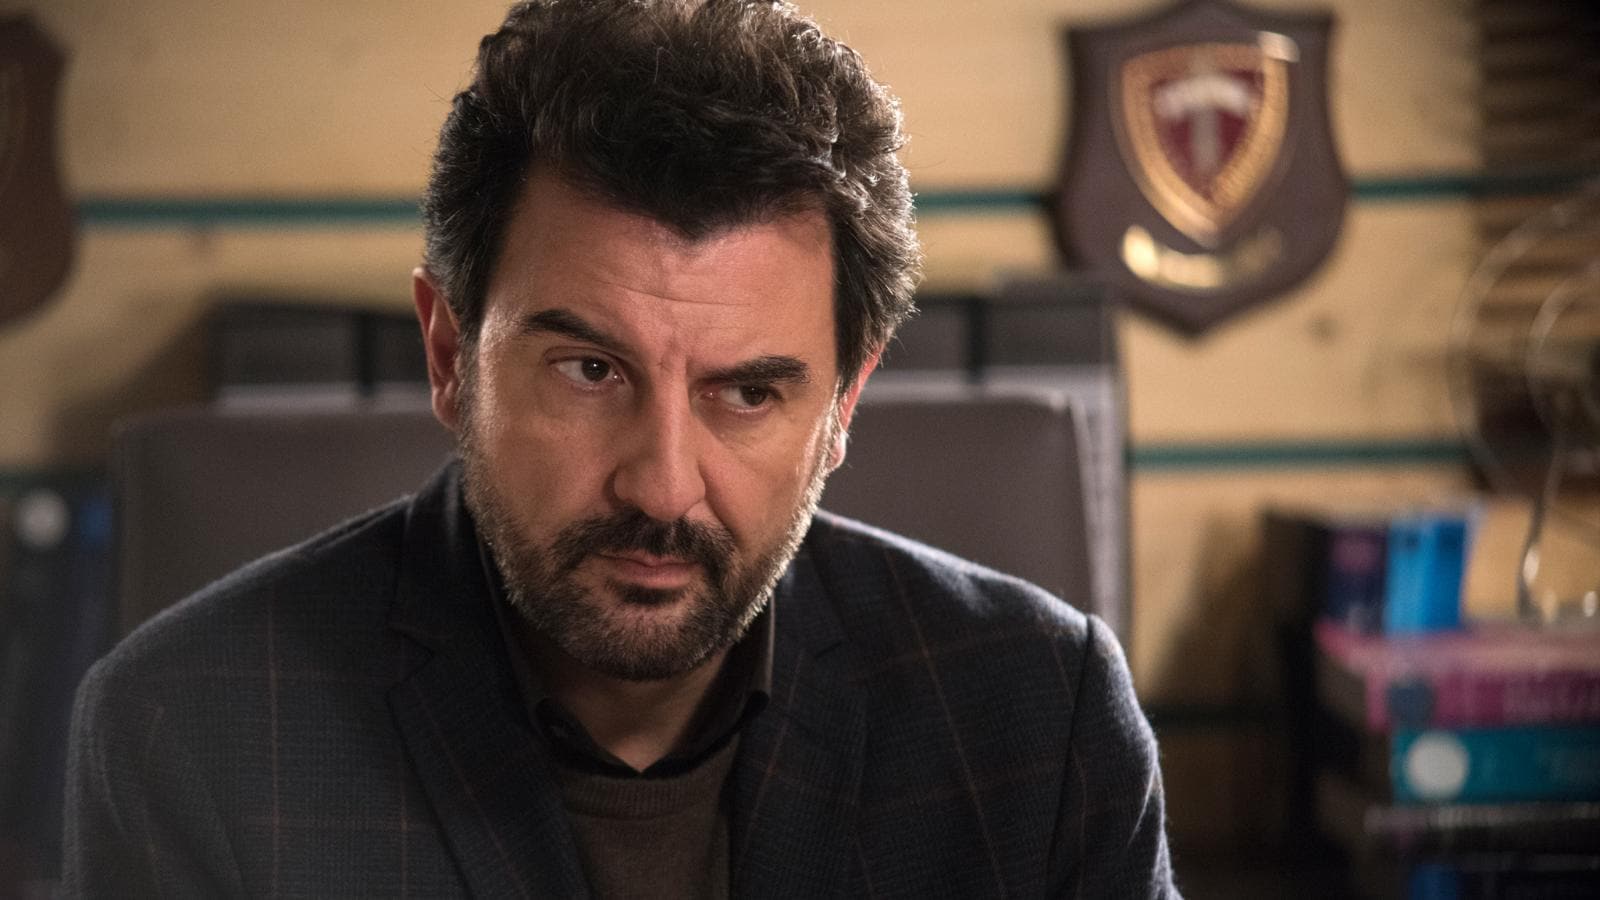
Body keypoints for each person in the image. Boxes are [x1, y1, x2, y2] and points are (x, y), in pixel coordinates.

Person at [62, 1, 1176, 896]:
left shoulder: (1042, 716)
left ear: (845, 402)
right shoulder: (186, 730)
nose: (662, 485)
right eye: (590, 371)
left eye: (748, 392)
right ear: (450, 355)